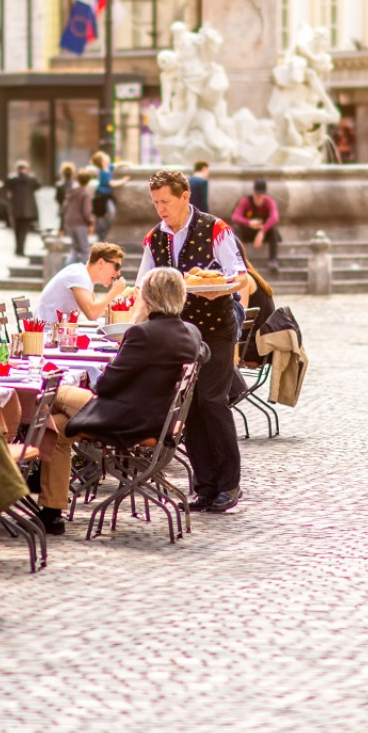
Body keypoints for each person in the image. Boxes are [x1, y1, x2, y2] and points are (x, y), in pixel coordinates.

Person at [22, 268, 201, 535]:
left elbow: (104, 386)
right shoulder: (190, 332)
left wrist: (137, 322)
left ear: (149, 300)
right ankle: (51, 513)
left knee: (51, 393)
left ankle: (22, 457)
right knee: (56, 426)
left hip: (128, 418)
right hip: (158, 417)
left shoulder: (143, 334)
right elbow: (203, 353)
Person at [139, 169, 244, 514]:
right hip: (180, 333)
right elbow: (144, 284)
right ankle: (204, 486)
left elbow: (239, 277)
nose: (161, 209)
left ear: (185, 197)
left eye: (165, 202)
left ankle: (229, 484)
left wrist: (220, 289)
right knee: (190, 408)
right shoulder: (155, 237)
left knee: (212, 401)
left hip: (216, 328)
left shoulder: (216, 229)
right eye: (155, 203)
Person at [39, 242, 130, 321]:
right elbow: (92, 313)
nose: (118, 272)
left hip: (57, 332)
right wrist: (114, 292)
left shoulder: (84, 276)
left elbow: (99, 312)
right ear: (101, 262)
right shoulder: (79, 275)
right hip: (47, 333)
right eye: (117, 266)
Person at [233, 179, 283, 270]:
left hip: (263, 231)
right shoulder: (245, 201)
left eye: (261, 195)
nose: (259, 197)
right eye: (257, 194)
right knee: (236, 229)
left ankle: (273, 260)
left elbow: (275, 217)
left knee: (274, 230)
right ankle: (238, 259)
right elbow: (235, 217)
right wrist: (249, 223)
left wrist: (262, 231)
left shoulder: (269, 202)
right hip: (248, 231)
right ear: (253, 192)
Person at [2, 160, 42, 257]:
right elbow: (38, 185)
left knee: (16, 230)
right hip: (28, 210)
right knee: (23, 231)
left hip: (15, 208)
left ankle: (18, 249)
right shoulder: (31, 179)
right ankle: (21, 250)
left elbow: (5, 186)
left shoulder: (12, 179)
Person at [61, 169, 94, 255]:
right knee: (85, 249)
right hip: (80, 223)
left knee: (75, 249)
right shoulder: (85, 193)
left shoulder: (71, 192)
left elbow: (64, 208)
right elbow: (87, 211)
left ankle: (69, 266)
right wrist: (90, 223)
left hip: (70, 222)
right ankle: (85, 268)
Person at [91, 152, 116, 240]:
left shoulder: (108, 168)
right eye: (105, 156)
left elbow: (116, 165)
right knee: (101, 217)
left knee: (111, 212)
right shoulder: (103, 172)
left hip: (107, 196)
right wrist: (124, 181)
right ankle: (101, 235)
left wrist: (126, 164)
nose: (107, 156)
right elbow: (111, 183)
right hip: (100, 196)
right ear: (102, 162)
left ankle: (103, 233)